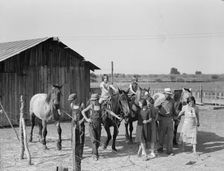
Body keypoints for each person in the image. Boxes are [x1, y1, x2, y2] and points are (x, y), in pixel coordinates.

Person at [81, 93, 102, 161]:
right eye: (92, 100)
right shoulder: (91, 106)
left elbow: (109, 111)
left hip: (98, 126)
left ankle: (94, 151)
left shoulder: (101, 106)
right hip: (91, 125)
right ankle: (95, 155)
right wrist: (87, 119)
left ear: (97, 100)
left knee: (98, 141)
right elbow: (83, 111)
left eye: (94, 100)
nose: (93, 101)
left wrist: (116, 117)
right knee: (93, 140)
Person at [157, 88, 176, 156]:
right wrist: (159, 113)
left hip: (170, 119)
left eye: (169, 94)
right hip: (162, 119)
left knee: (170, 135)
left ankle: (169, 150)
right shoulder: (160, 100)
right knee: (161, 135)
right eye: (167, 94)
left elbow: (173, 110)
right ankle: (160, 148)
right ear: (164, 94)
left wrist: (174, 116)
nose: (169, 95)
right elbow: (156, 108)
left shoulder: (172, 101)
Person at [68, 93, 85, 169]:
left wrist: (82, 120)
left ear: (75, 99)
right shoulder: (71, 105)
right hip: (73, 124)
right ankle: (74, 153)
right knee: (73, 139)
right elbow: (72, 115)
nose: (71, 101)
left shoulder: (81, 104)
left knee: (81, 139)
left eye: (72, 100)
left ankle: (80, 154)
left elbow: (85, 115)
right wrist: (73, 120)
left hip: (80, 124)